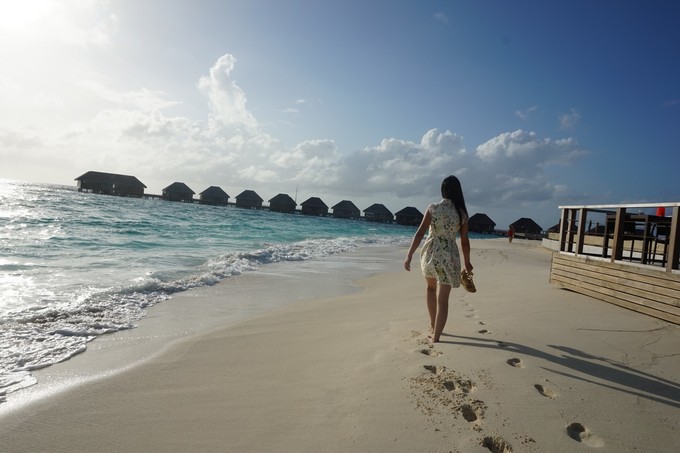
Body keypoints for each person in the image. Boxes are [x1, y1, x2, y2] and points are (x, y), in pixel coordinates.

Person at [403, 175, 473, 344]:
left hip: (430, 254)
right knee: (443, 299)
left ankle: (433, 325)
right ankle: (436, 336)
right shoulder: (462, 214)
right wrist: (467, 262)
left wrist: (409, 255)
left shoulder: (433, 208)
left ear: (443, 191)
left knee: (430, 289)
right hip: (449, 256)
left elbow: (420, 233)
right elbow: (464, 241)